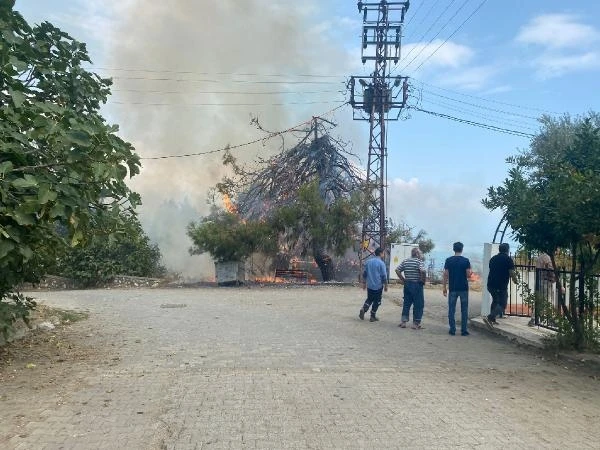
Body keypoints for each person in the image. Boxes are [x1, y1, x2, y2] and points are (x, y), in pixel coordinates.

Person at [484, 243, 517, 328]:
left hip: (490, 285)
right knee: (503, 304)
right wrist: (515, 280)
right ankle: (490, 317)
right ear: (507, 250)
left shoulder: (493, 259)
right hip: (501, 286)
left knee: (495, 300)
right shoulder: (508, 260)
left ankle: (492, 320)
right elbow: (512, 273)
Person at [443, 242, 472, 336]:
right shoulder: (466, 261)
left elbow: (446, 274)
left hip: (453, 288)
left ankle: (452, 330)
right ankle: (464, 331)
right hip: (463, 288)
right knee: (464, 310)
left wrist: (444, 287)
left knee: (451, 309)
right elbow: (468, 275)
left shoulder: (448, 260)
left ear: (453, 249)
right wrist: (471, 273)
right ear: (462, 249)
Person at [395, 247, 427, 329]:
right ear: (417, 254)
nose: (420, 255)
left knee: (406, 303)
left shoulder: (405, 261)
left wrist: (403, 280)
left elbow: (397, 270)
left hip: (407, 284)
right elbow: (423, 271)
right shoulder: (419, 261)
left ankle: (403, 322)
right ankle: (416, 323)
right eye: (419, 253)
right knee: (418, 304)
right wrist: (423, 280)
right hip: (416, 285)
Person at [359, 247, 388, 322]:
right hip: (378, 286)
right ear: (381, 253)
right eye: (383, 253)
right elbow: (384, 276)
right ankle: (372, 316)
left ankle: (364, 309)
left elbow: (365, 274)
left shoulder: (368, 262)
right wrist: (386, 285)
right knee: (377, 301)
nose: (384, 254)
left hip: (370, 285)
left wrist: (364, 283)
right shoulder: (381, 263)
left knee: (369, 299)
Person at [530, 252, 555, 327]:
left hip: (540, 281)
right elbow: (549, 269)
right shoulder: (547, 257)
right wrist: (554, 278)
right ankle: (548, 319)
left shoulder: (540, 257)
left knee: (539, 300)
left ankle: (534, 319)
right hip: (545, 282)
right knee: (548, 301)